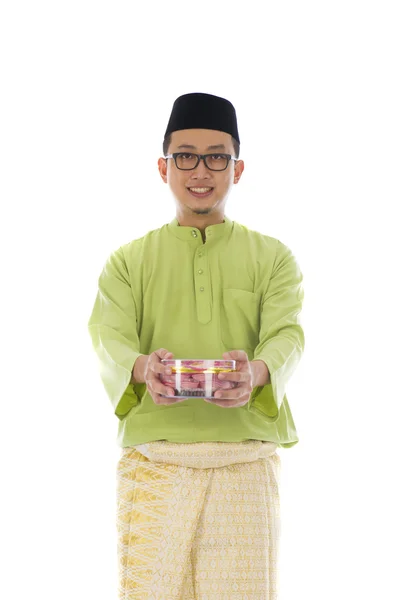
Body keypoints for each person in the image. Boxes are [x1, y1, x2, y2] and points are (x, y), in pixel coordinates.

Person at [87, 92, 305, 599]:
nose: (200, 170)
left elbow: (287, 335)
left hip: (244, 465)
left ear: (238, 167)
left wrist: (256, 373)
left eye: (216, 156)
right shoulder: (128, 261)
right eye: (185, 155)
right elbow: (108, 335)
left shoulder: (273, 258)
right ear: (164, 167)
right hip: (154, 463)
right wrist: (142, 369)